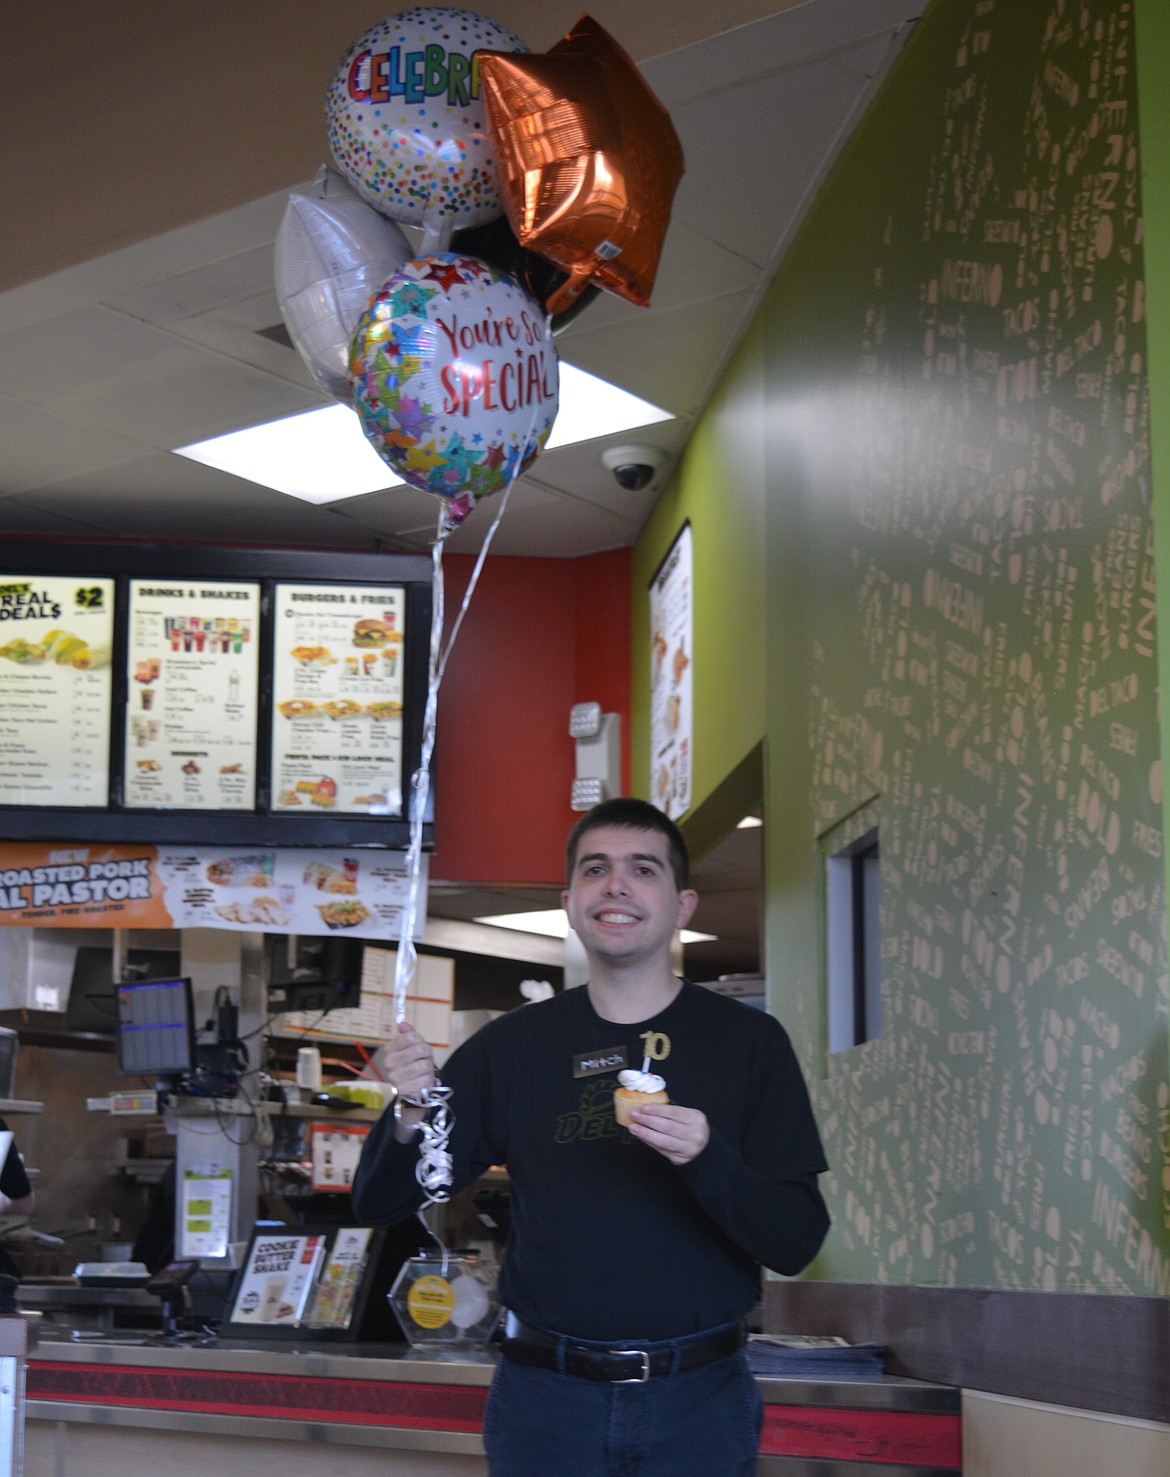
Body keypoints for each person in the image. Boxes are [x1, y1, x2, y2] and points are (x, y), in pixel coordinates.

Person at [353, 798, 830, 1476]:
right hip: (545, 1400)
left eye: (644, 869)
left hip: (699, 1399)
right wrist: (405, 1111)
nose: (617, 885)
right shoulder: (509, 1050)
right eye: (596, 869)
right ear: (571, 901)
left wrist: (706, 1157)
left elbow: (797, 1240)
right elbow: (380, 1201)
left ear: (682, 903)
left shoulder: (751, 1043)